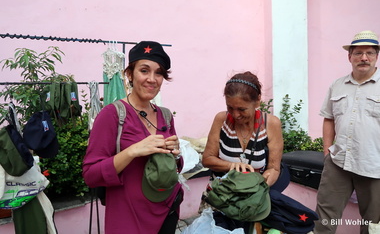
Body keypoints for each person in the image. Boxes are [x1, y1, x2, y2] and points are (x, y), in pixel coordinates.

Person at [82, 41, 183, 234]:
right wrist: (132, 151)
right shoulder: (112, 115)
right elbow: (90, 174)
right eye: (144, 70)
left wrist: (176, 154)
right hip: (129, 219)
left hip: (167, 211)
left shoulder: (166, 115)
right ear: (129, 74)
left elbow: (175, 166)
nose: (152, 79)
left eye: (159, 72)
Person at [202, 71, 285, 232]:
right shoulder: (221, 120)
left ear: (258, 101)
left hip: (252, 203)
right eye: (230, 108)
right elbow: (207, 159)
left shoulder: (271, 124)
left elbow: (274, 168)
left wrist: (257, 189)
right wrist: (233, 166)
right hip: (221, 199)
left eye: (242, 109)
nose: (235, 115)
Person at [315, 30, 380, 234]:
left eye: (369, 53)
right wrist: (327, 151)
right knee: (324, 219)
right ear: (349, 56)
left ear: (376, 56)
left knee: (373, 223)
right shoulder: (337, 85)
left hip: (374, 165)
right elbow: (329, 118)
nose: (363, 58)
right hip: (338, 162)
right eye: (358, 53)